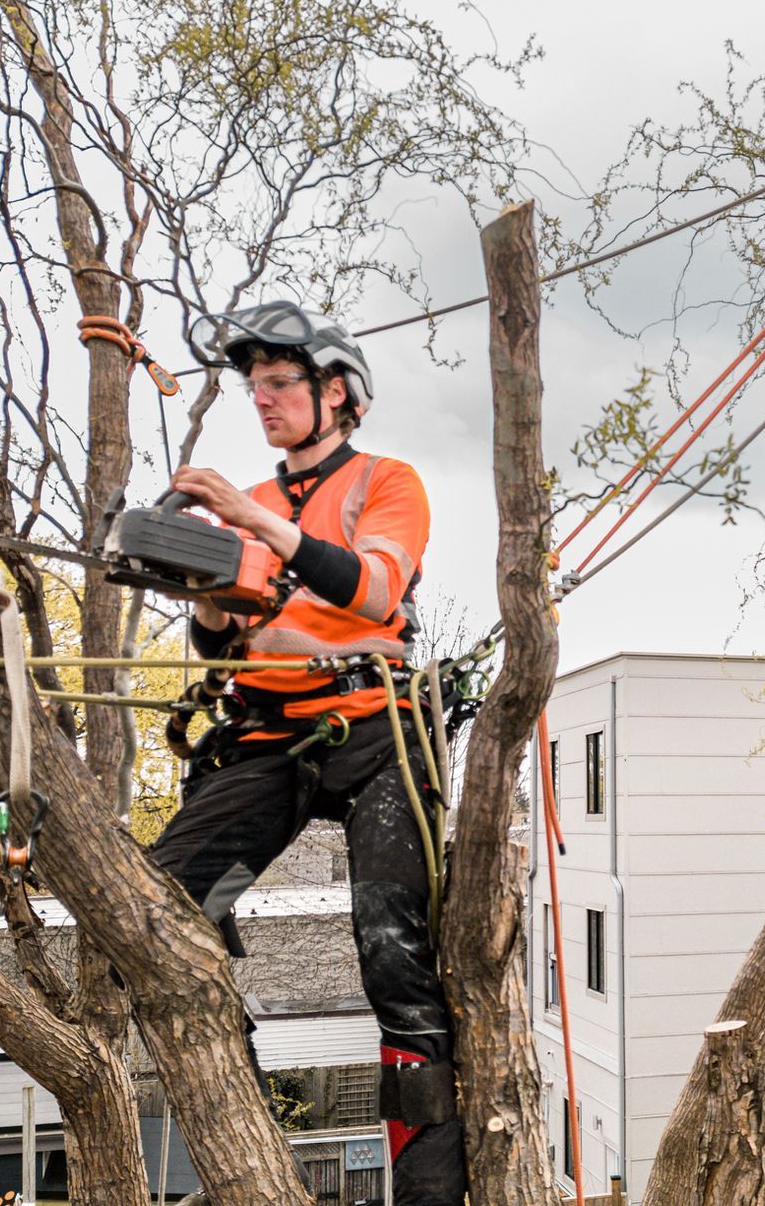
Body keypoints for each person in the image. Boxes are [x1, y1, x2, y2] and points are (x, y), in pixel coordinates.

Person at [149, 302, 465, 1205]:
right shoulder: (246, 516)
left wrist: (253, 517)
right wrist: (207, 593)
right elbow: (220, 649)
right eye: (256, 387)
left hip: (373, 731)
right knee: (164, 899)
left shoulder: (385, 480)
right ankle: (251, 1133)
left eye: (281, 383)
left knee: (393, 954)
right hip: (268, 732)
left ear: (337, 392)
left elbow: (372, 589)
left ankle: (430, 1189)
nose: (264, 400)